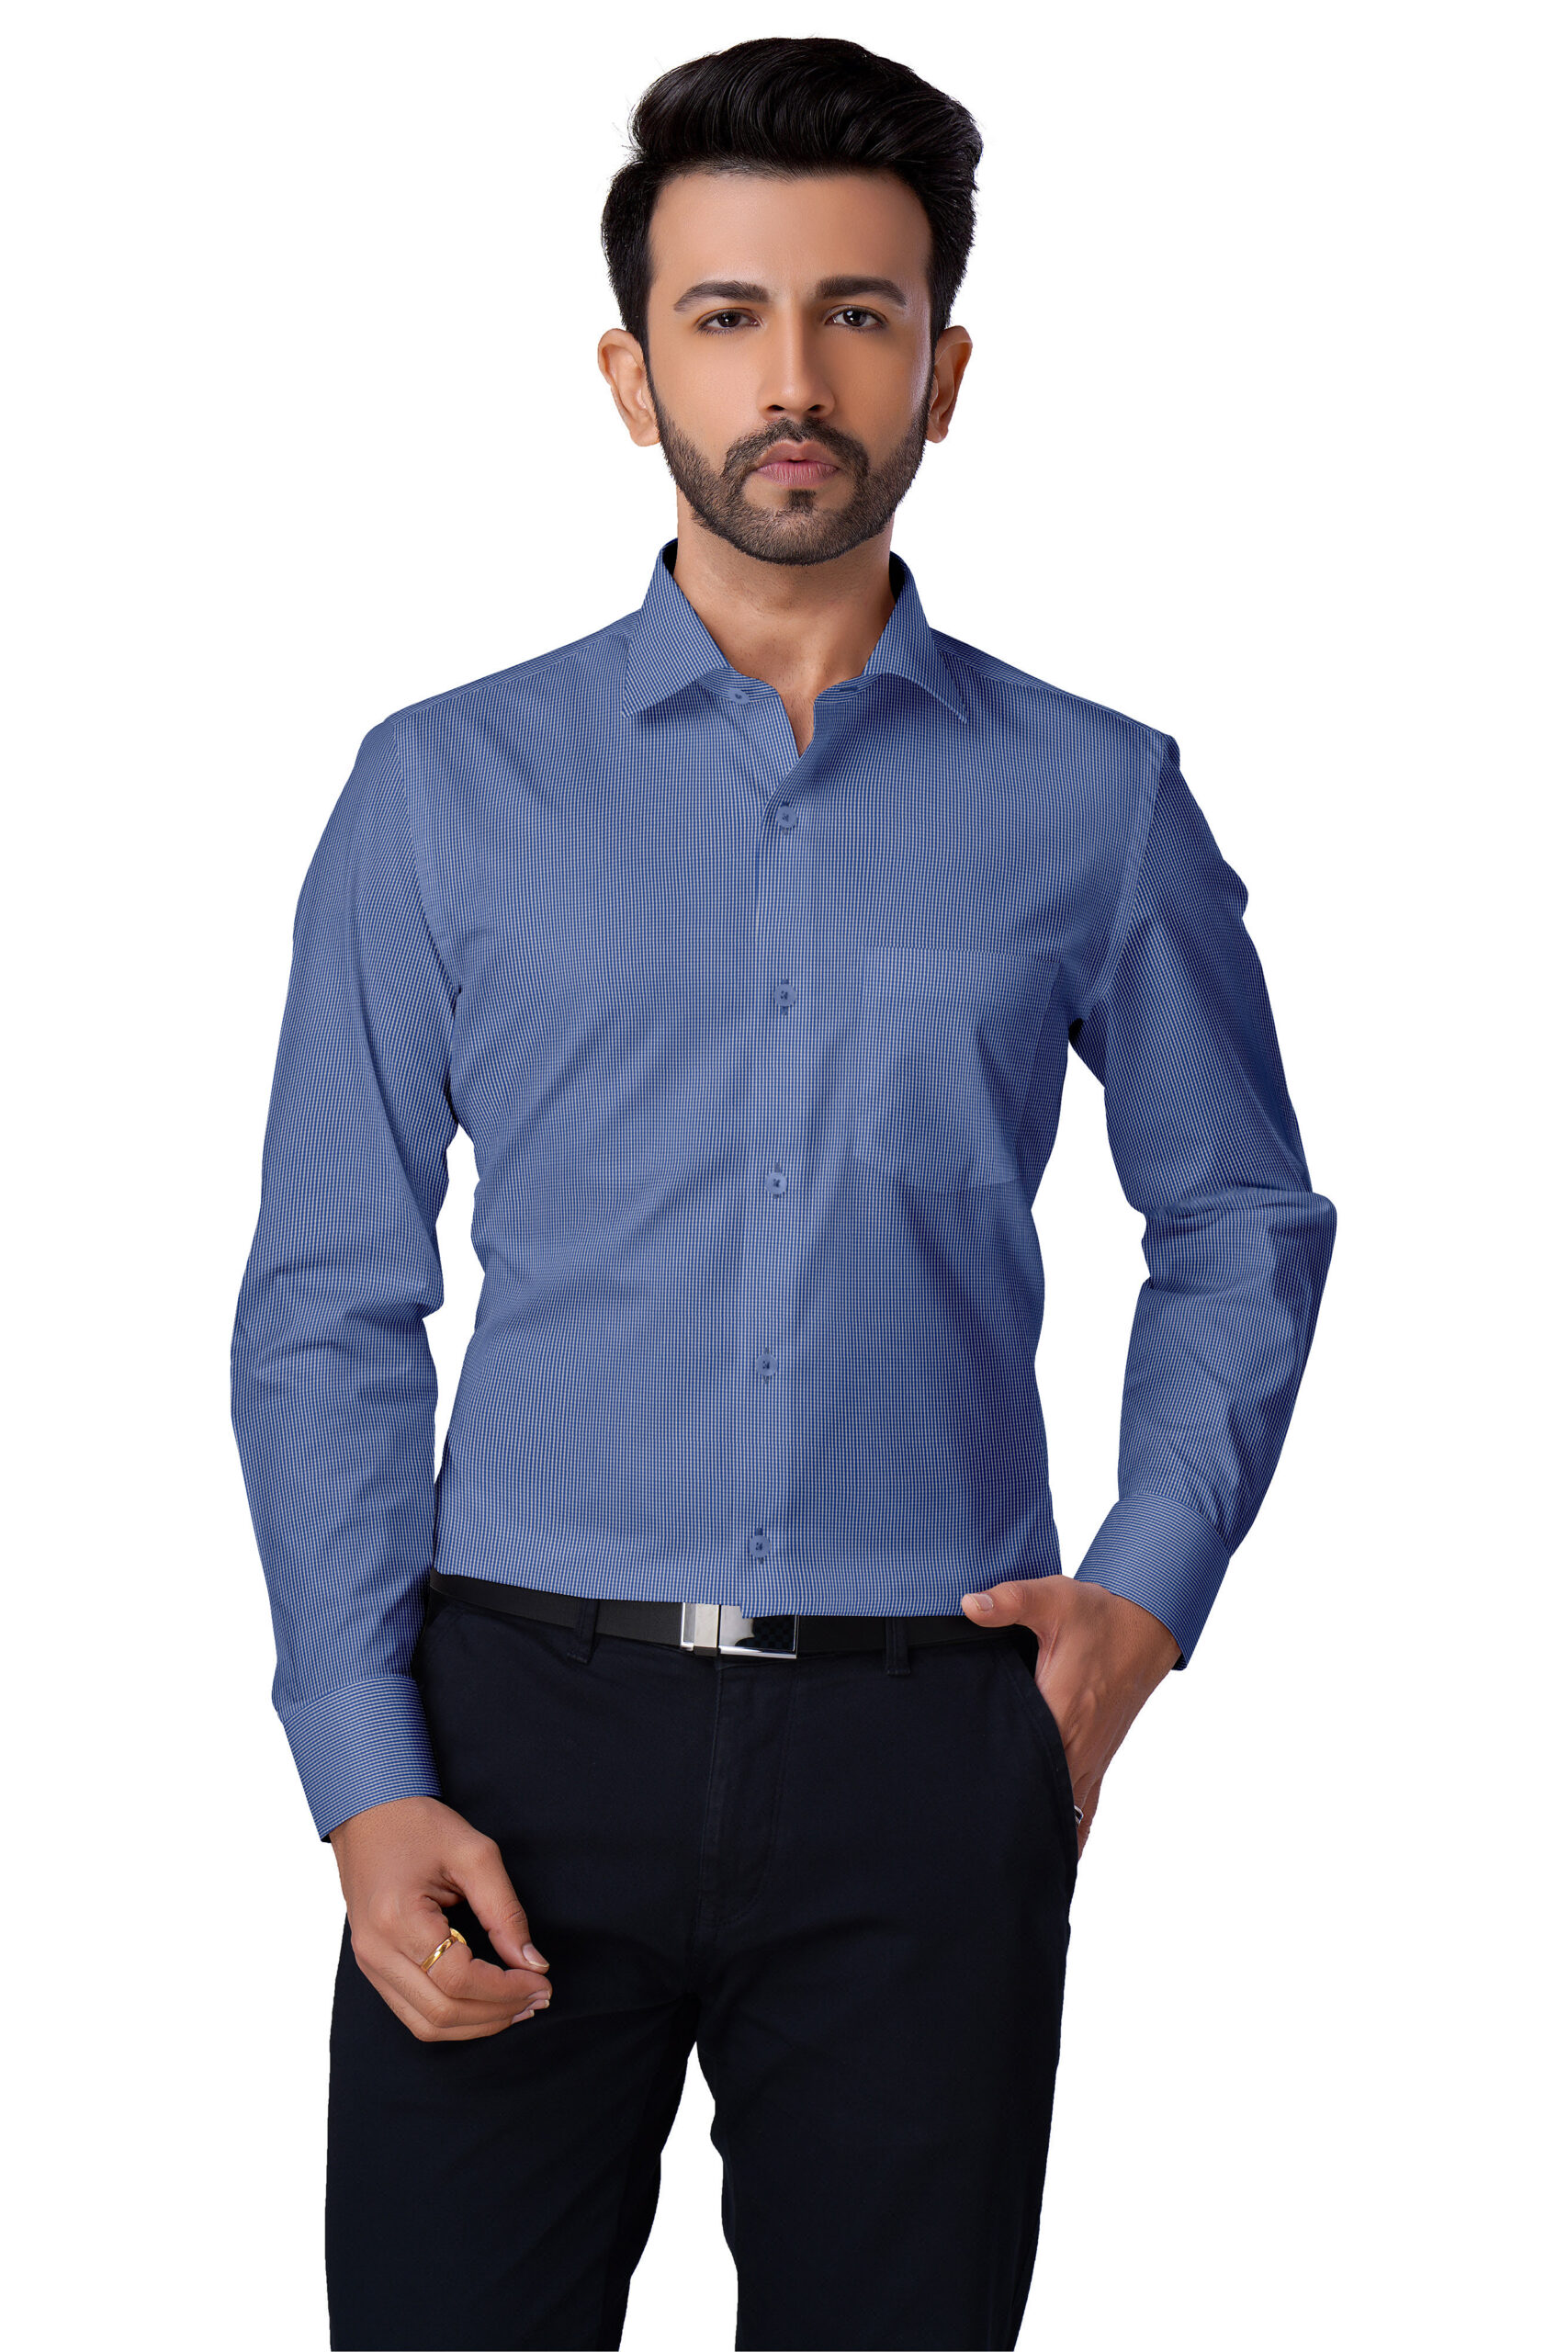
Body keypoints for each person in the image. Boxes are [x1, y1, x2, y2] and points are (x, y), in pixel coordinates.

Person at [230, 35, 1337, 2352]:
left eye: (857, 311)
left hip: (927, 1740)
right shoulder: (438, 789)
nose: (795, 378)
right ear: (630, 373)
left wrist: (1140, 1599)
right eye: (726, 315)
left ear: (944, 367)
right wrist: (359, 1769)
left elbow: (1238, 1216)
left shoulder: (1096, 798)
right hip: (511, 1734)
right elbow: (330, 1293)